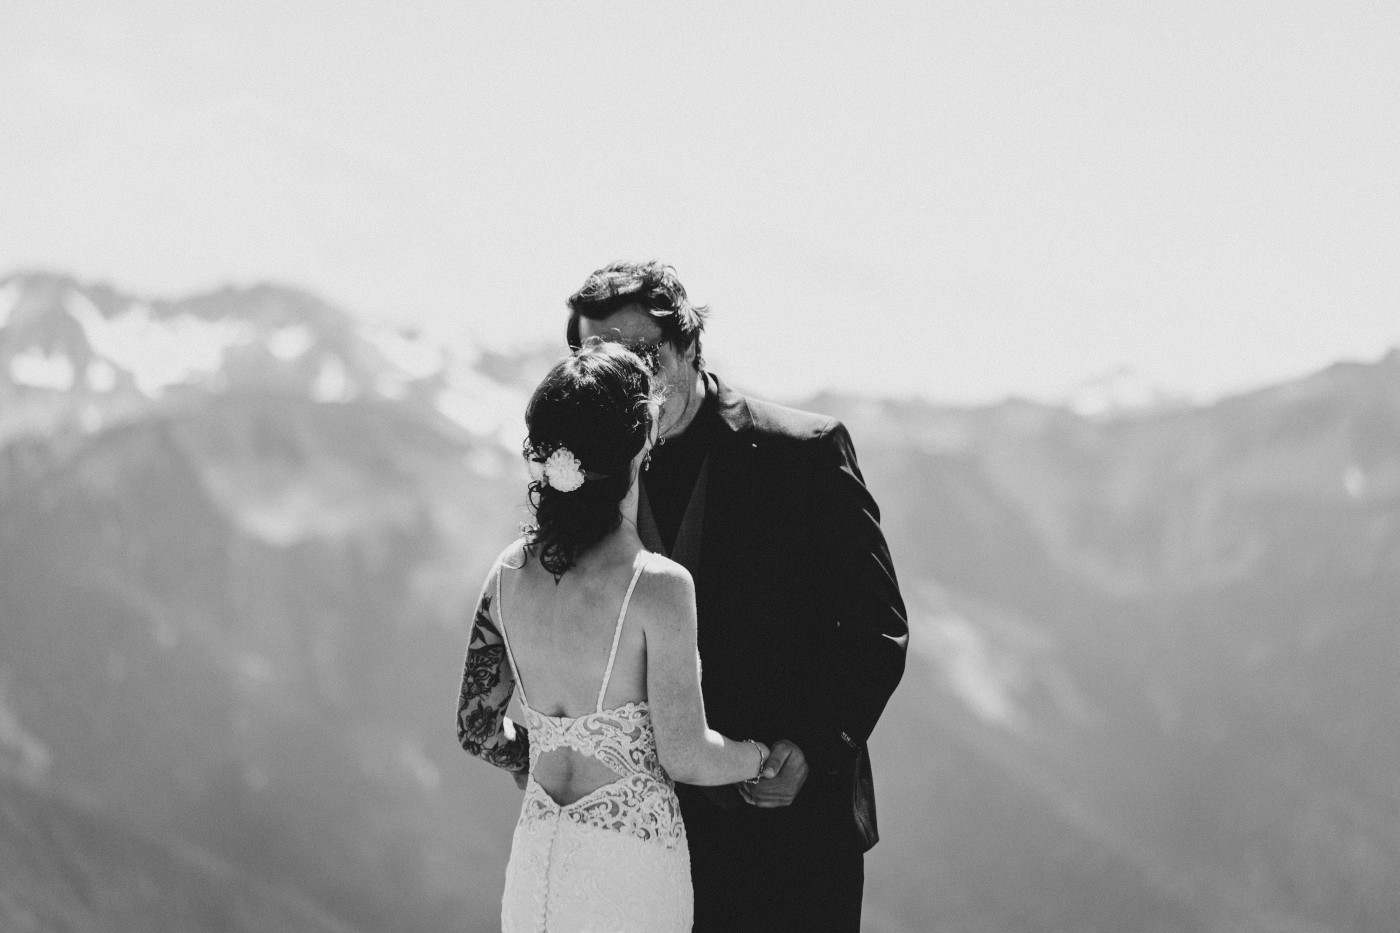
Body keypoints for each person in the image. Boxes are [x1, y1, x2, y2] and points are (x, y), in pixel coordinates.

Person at [564, 261, 908, 932]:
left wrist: (811, 747)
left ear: (690, 348)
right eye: (600, 358)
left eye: (644, 356)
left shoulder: (804, 454)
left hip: (792, 828)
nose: (626, 381)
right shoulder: (587, 481)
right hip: (648, 843)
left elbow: (877, 627)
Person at [456, 339, 771, 931]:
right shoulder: (657, 585)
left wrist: (550, 754)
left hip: (537, 856)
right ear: (643, 439)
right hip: (630, 868)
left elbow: (475, 726)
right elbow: (687, 756)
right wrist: (759, 758)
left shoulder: (506, 574)